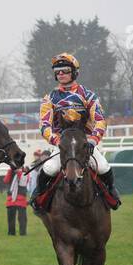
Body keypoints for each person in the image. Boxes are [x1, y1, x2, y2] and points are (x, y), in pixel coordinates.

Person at [33, 52, 119, 211]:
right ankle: (38, 197)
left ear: (74, 72)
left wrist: (93, 139)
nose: (60, 74)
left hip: (85, 143)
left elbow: (100, 120)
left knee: (103, 167)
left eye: (64, 70)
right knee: (49, 168)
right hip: (61, 144)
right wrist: (57, 141)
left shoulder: (88, 95)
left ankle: (112, 193)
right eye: (57, 72)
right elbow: (44, 125)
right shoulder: (49, 98)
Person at [4, 159, 28, 236]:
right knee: (11, 218)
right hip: (11, 199)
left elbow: (24, 183)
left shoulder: (24, 172)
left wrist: (19, 173)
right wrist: (10, 171)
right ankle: (11, 233)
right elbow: (6, 180)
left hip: (21, 198)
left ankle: (22, 233)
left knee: (22, 219)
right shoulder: (10, 172)